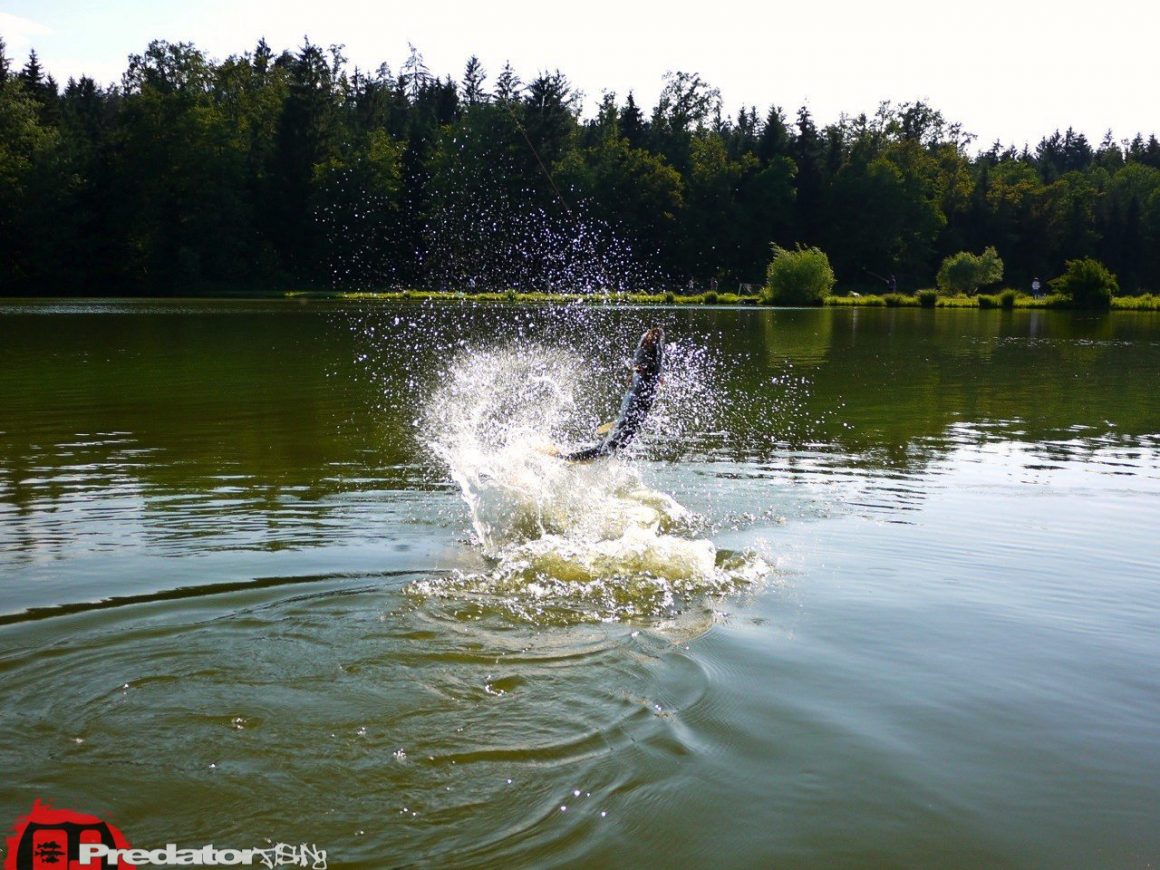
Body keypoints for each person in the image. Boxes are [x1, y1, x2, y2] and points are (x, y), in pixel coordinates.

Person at [560, 326, 665, 462]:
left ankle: (570, 457)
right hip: (638, 401)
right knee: (616, 443)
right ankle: (572, 457)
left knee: (617, 441)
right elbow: (643, 369)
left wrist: (642, 372)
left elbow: (643, 368)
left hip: (638, 399)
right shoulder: (651, 358)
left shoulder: (650, 359)